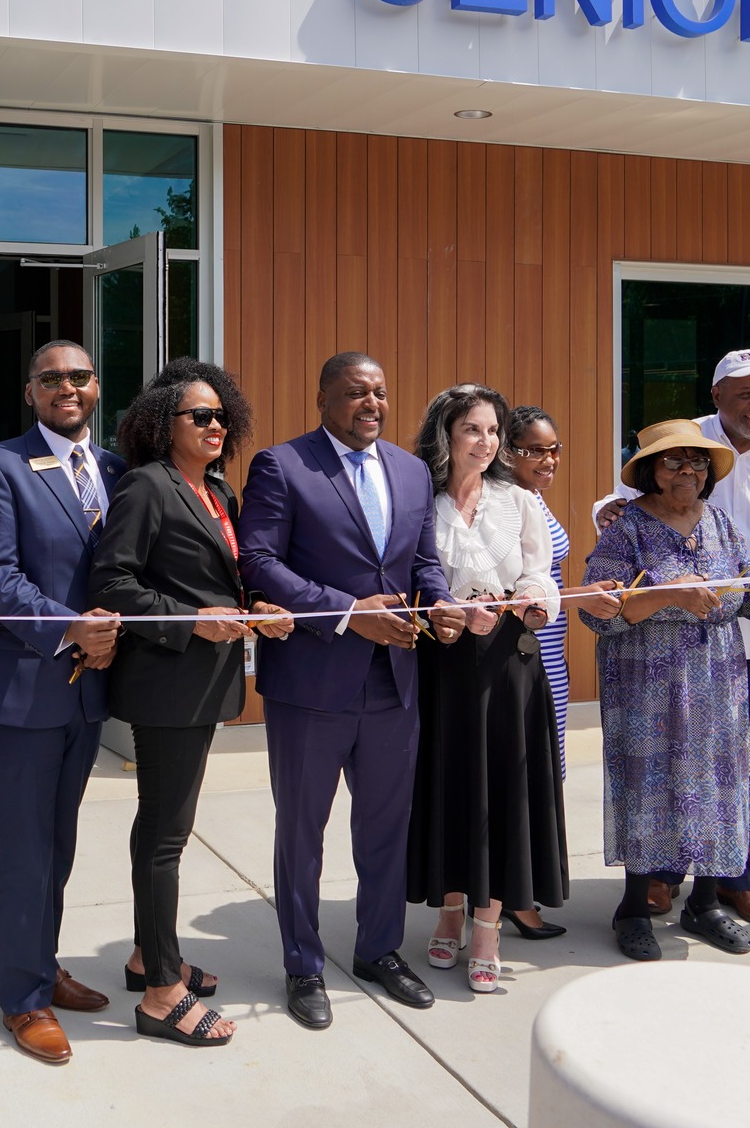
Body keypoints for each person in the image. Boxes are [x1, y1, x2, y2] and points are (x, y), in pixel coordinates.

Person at [236, 351, 467, 1031]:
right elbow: (259, 562)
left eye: (380, 392)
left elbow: (422, 560)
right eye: (355, 392)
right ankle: (303, 963)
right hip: (312, 682)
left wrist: (444, 602)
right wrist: (346, 609)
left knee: (386, 828)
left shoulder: (412, 470)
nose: (371, 403)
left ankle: (378, 950)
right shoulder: (284, 465)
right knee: (302, 832)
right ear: (323, 398)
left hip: (394, 679)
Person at [591, 349, 750, 926]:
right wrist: (656, 582)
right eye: (746, 395)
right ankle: (658, 876)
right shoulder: (683, 443)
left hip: (749, 647)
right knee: (661, 766)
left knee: (734, 765)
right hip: (656, 664)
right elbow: (615, 519)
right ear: (718, 398)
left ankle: (730, 877)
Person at [91, 358, 293, 1047]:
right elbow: (112, 581)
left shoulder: (217, 493)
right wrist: (191, 618)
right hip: (166, 684)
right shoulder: (146, 487)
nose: (215, 426)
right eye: (199, 416)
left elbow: (222, 580)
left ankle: (150, 953)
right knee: (166, 835)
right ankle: (160, 993)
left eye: (221, 416)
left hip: (207, 682)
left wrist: (252, 606)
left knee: (163, 828)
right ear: (161, 424)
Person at [0, 341, 126, 1065]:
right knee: (26, 849)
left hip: (88, 692)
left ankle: (43, 963)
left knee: (58, 843)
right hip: (20, 692)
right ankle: (22, 999)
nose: (67, 387)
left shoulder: (116, 468)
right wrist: (70, 630)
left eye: (79, 376)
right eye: (51, 377)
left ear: (95, 386)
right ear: (30, 391)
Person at [579, 419, 750, 962]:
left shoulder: (721, 522)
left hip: (716, 682)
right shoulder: (626, 528)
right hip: (647, 685)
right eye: (674, 461)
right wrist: (669, 596)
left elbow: (745, 594)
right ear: (650, 471)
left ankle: (704, 903)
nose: (688, 471)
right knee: (648, 787)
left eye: (698, 462)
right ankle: (632, 907)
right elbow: (600, 610)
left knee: (714, 788)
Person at [407, 386, 572, 995]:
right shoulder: (419, 499)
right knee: (451, 787)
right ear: (445, 435)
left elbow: (541, 572)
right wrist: (445, 610)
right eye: (472, 430)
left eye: (494, 431)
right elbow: (410, 576)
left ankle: (488, 927)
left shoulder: (519, 500)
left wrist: (529, 602)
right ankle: (450, 907)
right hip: (444, 664)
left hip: (511, 666)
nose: (486, 442)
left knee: (502, 792)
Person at [505, 406, 622, 779]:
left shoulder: (533, 493)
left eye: (555, 449)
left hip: (549, 651)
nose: (549, 459)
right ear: (507, 452)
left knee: (548, 770)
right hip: (517, 651)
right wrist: (581, 596)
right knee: (526, 772)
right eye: (536, 450)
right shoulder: (504, 500)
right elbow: (507, 594)